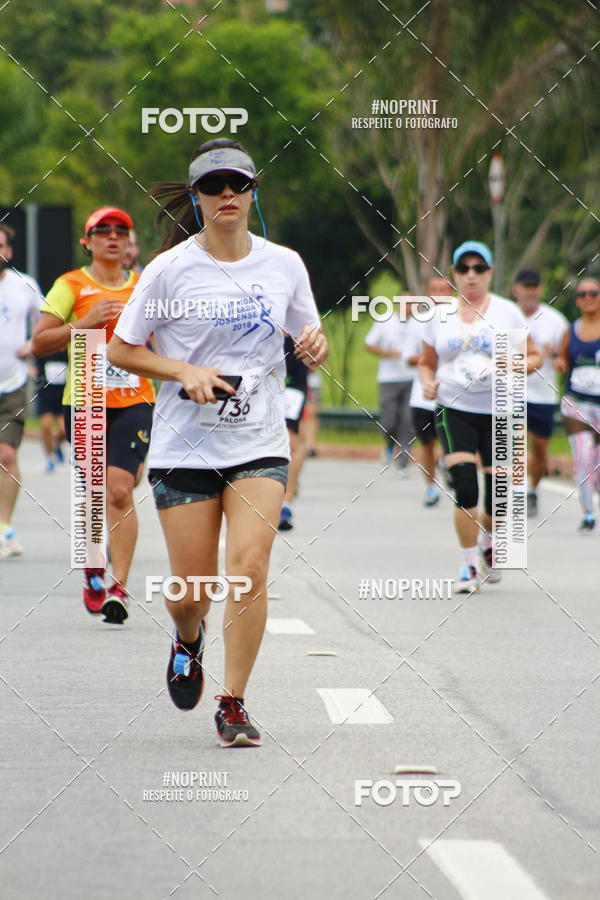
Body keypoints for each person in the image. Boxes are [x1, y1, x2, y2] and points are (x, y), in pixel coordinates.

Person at [108, 139, 327, 747]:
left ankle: (233, 702)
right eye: (213, 187)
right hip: (184, 447)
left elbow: (310, 331)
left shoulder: (284, 264)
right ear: (198, 197)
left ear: (254, 192)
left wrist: (316, 344)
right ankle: (186, 637)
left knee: (250, 567)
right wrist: (184, 372)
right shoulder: (169, 269)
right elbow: (121, 348)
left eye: (238, 185)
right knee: (190, 594)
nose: (227, 196)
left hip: (259, 442)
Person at [31, 207, 155, 621]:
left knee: (120, 489)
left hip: (136, 398)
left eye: (121, 230)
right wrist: (83, 324)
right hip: (85, 400)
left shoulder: (144, 286)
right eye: (102, 231)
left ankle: (118, 586)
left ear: (130, 243)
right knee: (95, 494)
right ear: (88, 242)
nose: (113, 237)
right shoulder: (70, 285)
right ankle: (93, 567)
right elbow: (39, 343)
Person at [419, 241, 541, 593]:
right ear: (455, 274)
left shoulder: (507, 313)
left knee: (497, 497)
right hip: (453, 408)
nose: (471, 275)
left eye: (478, 268)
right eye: (464, 269)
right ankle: (468, 565)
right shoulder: (438, 315)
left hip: (500, 409)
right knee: (465, 486)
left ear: (490, 273)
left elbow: (535, 358)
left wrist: (517, 364)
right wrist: (428, 383)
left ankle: (488, 537)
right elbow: (426, 364)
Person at [0, 223, 44, 558]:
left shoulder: (24, 285)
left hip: (12, 384)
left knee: (7, 455)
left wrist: (32, 344)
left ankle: (5, 529)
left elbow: (45, 320)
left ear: (9, 252)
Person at [512, 268, 568, 517]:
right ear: (517, 290)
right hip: (512, 391)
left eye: (534, 287)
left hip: (543, 393)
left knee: (540, 448)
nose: (530, 291)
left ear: (540, 289)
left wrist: (554, 354)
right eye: (526, 287)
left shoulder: (555, 320)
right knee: (515, 442)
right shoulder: (505, 315)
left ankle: (532, 489)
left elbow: (565, 359)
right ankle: (515, 490)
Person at [555, 276, 600, 533]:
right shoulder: (570, 331)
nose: (588, 298)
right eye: (583, 294)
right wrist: (561, 364)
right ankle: (588, 512)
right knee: (583, 456)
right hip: (576, 402)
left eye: (593, 293)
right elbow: (563, 361)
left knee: (596, 461)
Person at [405, 276, 454, 506]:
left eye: (443, 290)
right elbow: (410, 357)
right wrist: (431, 357)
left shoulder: (461, 321)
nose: (439, 294)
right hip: (423, 395)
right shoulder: (419, 321)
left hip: (453, 395)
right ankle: (431, 486)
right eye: (434, 290)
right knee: (426, 443)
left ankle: (448, 463)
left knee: (451, 439)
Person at [365, 295, 415, 474]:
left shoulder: (420, 323)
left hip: (412, 378)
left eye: (411, 303)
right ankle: (388, 445)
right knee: (389, 420)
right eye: (404, 303)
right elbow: (368, 344)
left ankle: (403, 460)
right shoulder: (384, 320)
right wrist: (386, 353)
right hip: (389, 377)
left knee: (408, 420)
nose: (407, 307)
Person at [279, 334, 309, 530]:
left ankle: (285, 503)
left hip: (291, 376)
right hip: (253, 373)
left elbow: (316, 337)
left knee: (290, 440)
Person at [34, 350, 68, 472]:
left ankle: (56, 443)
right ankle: (50, 458)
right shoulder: (44, 348)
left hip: (62, 393)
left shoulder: (67, 349)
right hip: (45, 393)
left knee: (65, 430)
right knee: (46, 425)